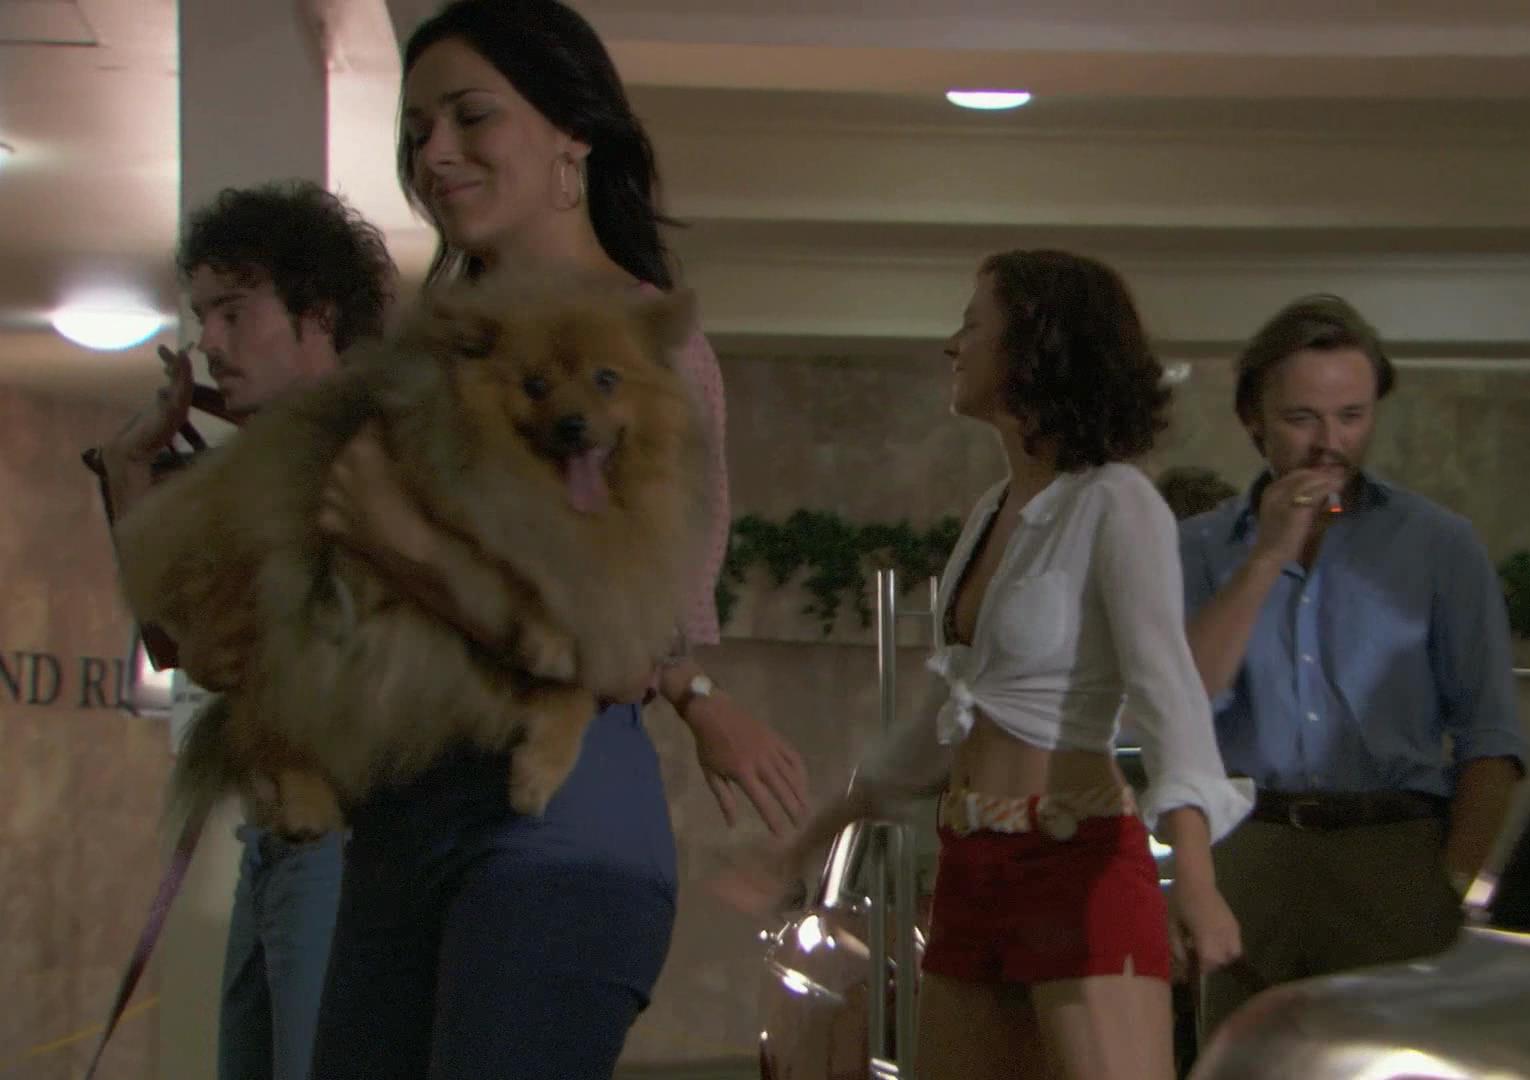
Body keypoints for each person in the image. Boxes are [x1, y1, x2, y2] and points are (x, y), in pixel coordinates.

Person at [302, 2, 809, 1076]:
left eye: (471, 116)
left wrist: (401, 545)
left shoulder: (643, 348)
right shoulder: (433, 343)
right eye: (417, 131)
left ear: (572, 137)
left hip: (549, 830)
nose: (435, 154)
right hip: (398, 823)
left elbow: (620, 654)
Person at [714, 249, 1251, 1080]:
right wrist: (808, 842)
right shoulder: (993, 511)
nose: (952, 345)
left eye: (973, 325)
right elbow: (944, 719)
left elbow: (1168, 696)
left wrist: (1199, 879)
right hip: (971, 861)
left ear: (1035, 348)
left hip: (1074, 859)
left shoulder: (1115, 501)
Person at [94, 180, 396, 1080]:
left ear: (318, 313)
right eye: (203, 318)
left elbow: (215, 651)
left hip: (350, 844)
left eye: (235, 312)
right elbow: (179, 644)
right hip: (274, 841)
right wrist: (129, 471)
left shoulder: (372, 450)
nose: (211, 344)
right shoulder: (271, 457)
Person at [1178, 294, 1530, 1037]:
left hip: (1393, 850)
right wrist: (1267, 555)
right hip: (1252, 848)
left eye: (1351, 417)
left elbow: (1491, 737)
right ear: (1254, 419)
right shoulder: (1199, 547)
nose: (1328, 444)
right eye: (1301, 418)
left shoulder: (1439, 545)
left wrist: (1447, 884)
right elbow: (1180, 705)